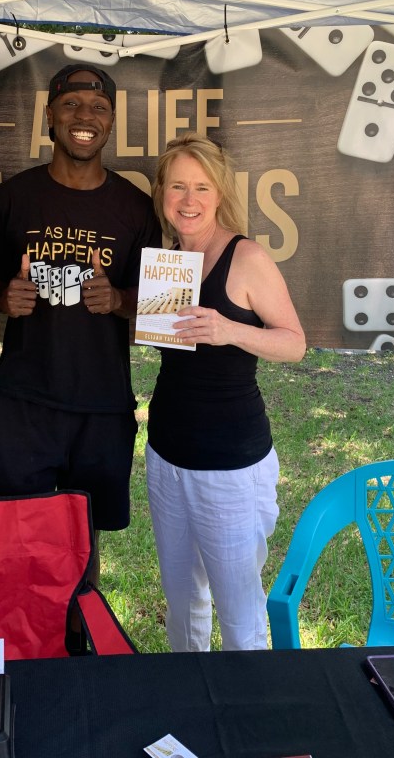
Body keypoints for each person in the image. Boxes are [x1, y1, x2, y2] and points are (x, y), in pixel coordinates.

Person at [0, 63, 161, 587]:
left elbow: (159, 306)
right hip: (25, 403)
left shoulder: (136, 208)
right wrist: (3, 297)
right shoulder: (11, 198)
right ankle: (27, 633)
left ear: (111, 121)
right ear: (49, 117)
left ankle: (80, 633)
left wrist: (119, 299)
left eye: (99, 108)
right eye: (71, 105)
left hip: (102, 405)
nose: (85, 117)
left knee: (82, 545)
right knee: (20, 541)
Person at [146, 132, 306, 652]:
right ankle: (186, 686)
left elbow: (294, 343)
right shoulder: (167, 260)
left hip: (231, 466)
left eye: (202, 187)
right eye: (177, 186)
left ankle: (246, 699)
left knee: (239, 611)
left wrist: (230, 330)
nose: (188, 200)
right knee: (182, 600)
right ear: (162, 193)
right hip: (165, 455)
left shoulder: (246, 256)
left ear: (219, 195)